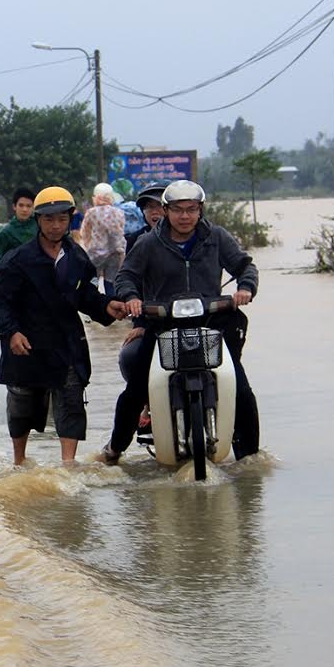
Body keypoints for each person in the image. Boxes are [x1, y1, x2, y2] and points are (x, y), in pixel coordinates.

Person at [101, 180, 260, 463]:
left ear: (200, 210)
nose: (185, 216)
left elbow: (245, 265)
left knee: (239, 386)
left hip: (213, 321)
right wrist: (132, 297)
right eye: (178, 210)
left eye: (191, 210)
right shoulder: (148, 243)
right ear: (166, 211)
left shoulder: (217, 238)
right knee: (136, 389)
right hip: (162, 324)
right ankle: (115, 450)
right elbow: (127, 276)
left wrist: (245, 288)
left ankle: (249, 458)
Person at [0, 186, 127, 466]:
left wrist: (106, 306)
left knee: (71, 400)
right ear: (38, 220)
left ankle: (68, 466)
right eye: (49, 219)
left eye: (62, 219)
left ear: (70, 219)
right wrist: (11, 331)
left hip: (66, 340)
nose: (55, 226)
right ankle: (19, 461)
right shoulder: (18, 260)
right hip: (26, 340)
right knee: (21, 404)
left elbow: (86, 296)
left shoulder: (77, 258)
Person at [80, 182, 127, 296]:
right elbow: (121, 230)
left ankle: (95, 303)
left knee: (93, 280)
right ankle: (112, 304)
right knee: (110, 281)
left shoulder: (91, 212)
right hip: (115, 252)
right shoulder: (119, 212)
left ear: (95, 198)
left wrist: (86, 247)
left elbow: (84, 233)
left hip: (95, 253)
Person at [0, 187, 37, 285]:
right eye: (21, 205)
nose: (24, 209)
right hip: (16, 278)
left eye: (28, 206)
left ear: (33, 207)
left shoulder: (40, 225)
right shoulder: (6, 232)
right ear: (14, 206)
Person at [125, 184, 166, 253]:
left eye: (159, 205)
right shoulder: (133, 241)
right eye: (149, 206)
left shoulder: (185, 240)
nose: (154, 211)